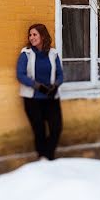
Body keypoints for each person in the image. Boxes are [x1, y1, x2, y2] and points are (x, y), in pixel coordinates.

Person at [16, 23, 64, 160]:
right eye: (30, 35)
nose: (31, 37)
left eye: (34, 34)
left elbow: (60, 74)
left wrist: (55, 86)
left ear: (43, 36)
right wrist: (38, 86)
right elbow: (20, 75)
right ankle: (43, 159)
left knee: (56, 129)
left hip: (51, 98)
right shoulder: (26, 53)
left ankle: (47, 157)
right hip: (32, 99)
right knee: (39, 131)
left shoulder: (53, 53)